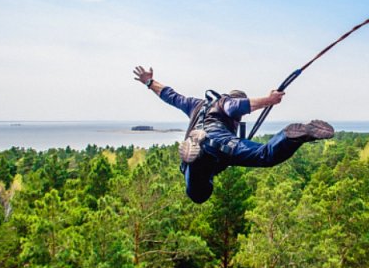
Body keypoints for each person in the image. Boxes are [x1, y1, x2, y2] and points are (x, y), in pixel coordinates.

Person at [133, 66, 334, 204]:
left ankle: (196, 158)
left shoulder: (196, 104)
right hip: (221, 141)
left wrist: (149, 81)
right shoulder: (226, 103)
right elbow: (234, 106)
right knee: (266, 154)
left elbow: (171, 95)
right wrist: (268, 99)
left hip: (204, 140)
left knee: (199, 191)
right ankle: (294, 136)